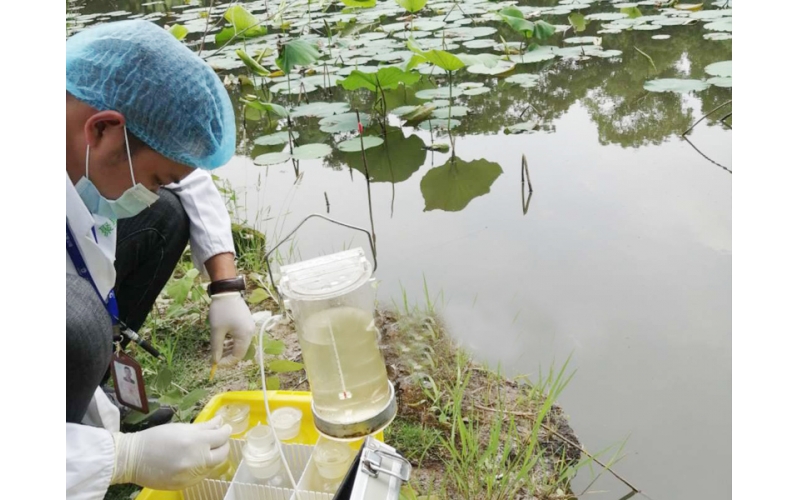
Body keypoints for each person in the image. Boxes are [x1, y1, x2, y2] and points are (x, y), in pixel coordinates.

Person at [66, 20, 256, 498]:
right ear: (102, 129)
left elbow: (180, 167)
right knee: (77, 325)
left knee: (168, 215)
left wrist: (226, 285)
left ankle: (87, 394)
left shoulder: (79, 120)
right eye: (156, 179)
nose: (155, 191)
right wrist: (120, 458)